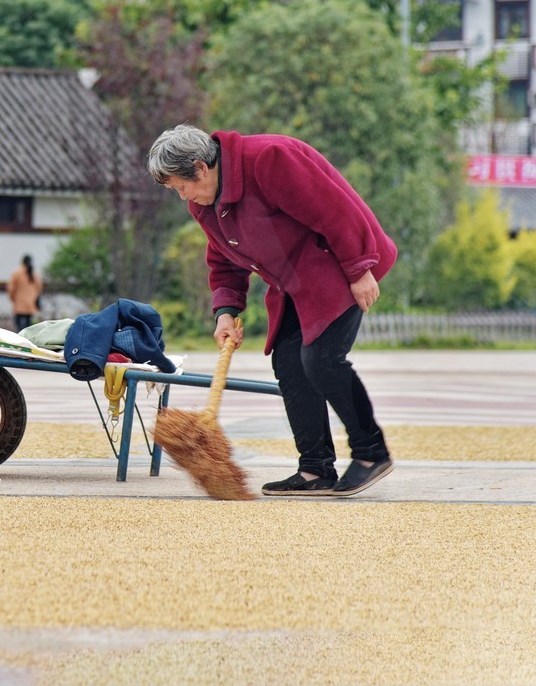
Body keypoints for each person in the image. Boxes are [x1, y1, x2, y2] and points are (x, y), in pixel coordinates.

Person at [148, 124, 396, 497]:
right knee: (289, 363)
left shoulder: (269, 160)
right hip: (293, 283)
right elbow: (223, 260)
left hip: (338, 265)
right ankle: (315, 469)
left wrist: (359, 268)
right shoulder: (205, 205)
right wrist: (226, 311)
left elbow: (335, 210)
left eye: (179, 186)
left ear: (200, 168)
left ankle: (370, 453)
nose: (181, 195)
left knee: (321, 359)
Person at [6, 254, 43, 332]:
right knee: (28, 326)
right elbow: (39, 289)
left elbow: (11, 289)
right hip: (30, 304)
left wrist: (13, 299)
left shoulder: (16, 274)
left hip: (19, 304)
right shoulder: (35, 274)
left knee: (18, 326)